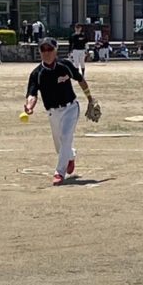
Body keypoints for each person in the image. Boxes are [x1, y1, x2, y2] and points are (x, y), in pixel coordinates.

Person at [23, 37, 97, 186]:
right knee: (60, 146)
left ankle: (59, 172)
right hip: (53, 113)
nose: (47, 52)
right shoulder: (37, 73)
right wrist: (29, 106)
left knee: (65, 137)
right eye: (43, 49)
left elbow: (80, 79)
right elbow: (32, 94)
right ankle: (70, 156)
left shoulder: (65, 65)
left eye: (50, 49)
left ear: (56, 50)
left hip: (70, 108)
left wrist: (90, 98)